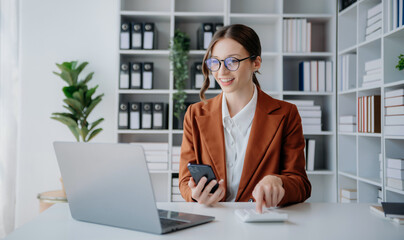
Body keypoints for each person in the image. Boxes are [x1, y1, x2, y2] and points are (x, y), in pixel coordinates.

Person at [178, 24, 311, 213]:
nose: (221, 72)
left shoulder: (286, 114)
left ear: (256, 63)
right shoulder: (195, 114)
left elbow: (301, 184)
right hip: (214, 219)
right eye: (215, 62)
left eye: (232, 62)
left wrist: (279, 182)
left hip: (261, 221)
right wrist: (194, 194)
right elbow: (184, 180)